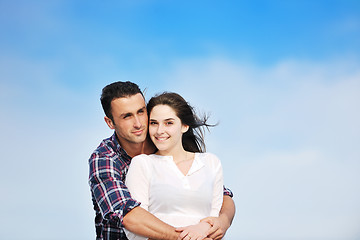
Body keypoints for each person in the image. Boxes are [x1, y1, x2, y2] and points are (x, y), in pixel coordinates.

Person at [88, 81, 235, 240]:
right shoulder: (105, 158)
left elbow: (222, 194)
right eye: (127, 116)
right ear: (110, 122)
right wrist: (190, 237)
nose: (138, 123)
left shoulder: (162, 139)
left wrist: (222, 222)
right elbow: (128, 215)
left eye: (141, 112)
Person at [125, 92, 225, 240]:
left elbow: (216, 219)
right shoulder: (142, 164)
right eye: (154, 123)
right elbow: (134, 231)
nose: (159, 131)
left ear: (184, 126)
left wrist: (204, 228)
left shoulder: (210, 162)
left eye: (169, 123)